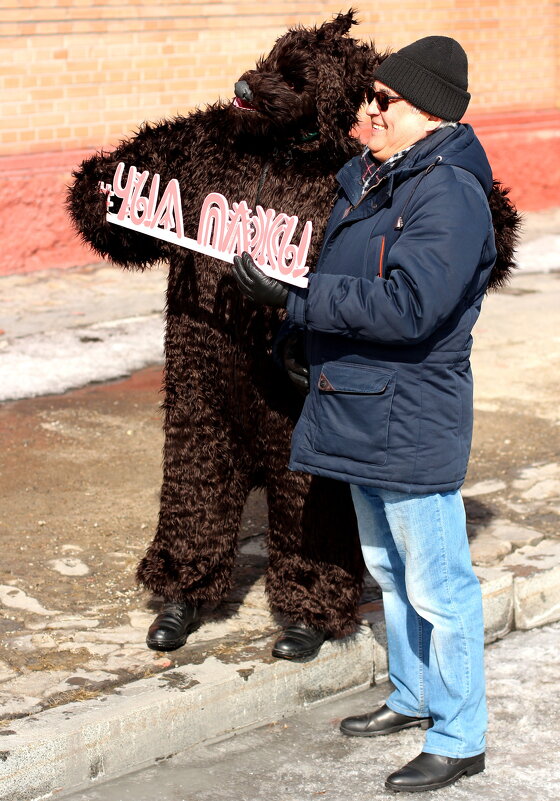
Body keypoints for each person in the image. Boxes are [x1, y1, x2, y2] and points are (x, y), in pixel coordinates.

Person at [231, 35, 508, 793]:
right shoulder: (373, 176)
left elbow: (413, 307)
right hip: (356, 403)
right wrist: (298, 330)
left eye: (385, 100)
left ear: (431, 113)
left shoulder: (446, 192)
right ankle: (415, 695)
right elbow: (347, 274)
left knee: (438, 584)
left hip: (410, 414)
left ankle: (460, 733)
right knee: (388, 569)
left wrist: (298, 299)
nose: (368, 109)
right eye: (370, 96)